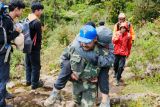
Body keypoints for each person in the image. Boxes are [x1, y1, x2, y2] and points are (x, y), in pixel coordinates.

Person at [44, 22, 114, 107]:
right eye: (82, 41)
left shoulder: (102, 52)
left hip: (90, 86)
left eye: (87, 42)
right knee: (76, 103)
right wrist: (70, 74)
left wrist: (104, 98)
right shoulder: (74, 47)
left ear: (95, 39)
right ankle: (55, 94)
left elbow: (105, 72)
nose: (84, 44)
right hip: (76, 84)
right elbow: (63, 59)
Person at [0, 1, 25, 106]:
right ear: (16, 10)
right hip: (2, 53)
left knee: (2, 76)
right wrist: (17, 32)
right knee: (2, 77)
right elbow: (3, 39)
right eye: (21, 10)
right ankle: (2, 103)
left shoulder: (5, 19)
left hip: (2, 52)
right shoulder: (7, 21)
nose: (22, 12)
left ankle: (4, 93)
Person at [25, 2, 44, 90]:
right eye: (41, 10)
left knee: (28, 64)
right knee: (36, 66)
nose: (41, 12)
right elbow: (39, 37)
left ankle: (28, 81)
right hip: (34, 47)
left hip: (26, 45)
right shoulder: (37, 22)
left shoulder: (27, 19)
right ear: (36, 10)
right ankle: (35, 84)